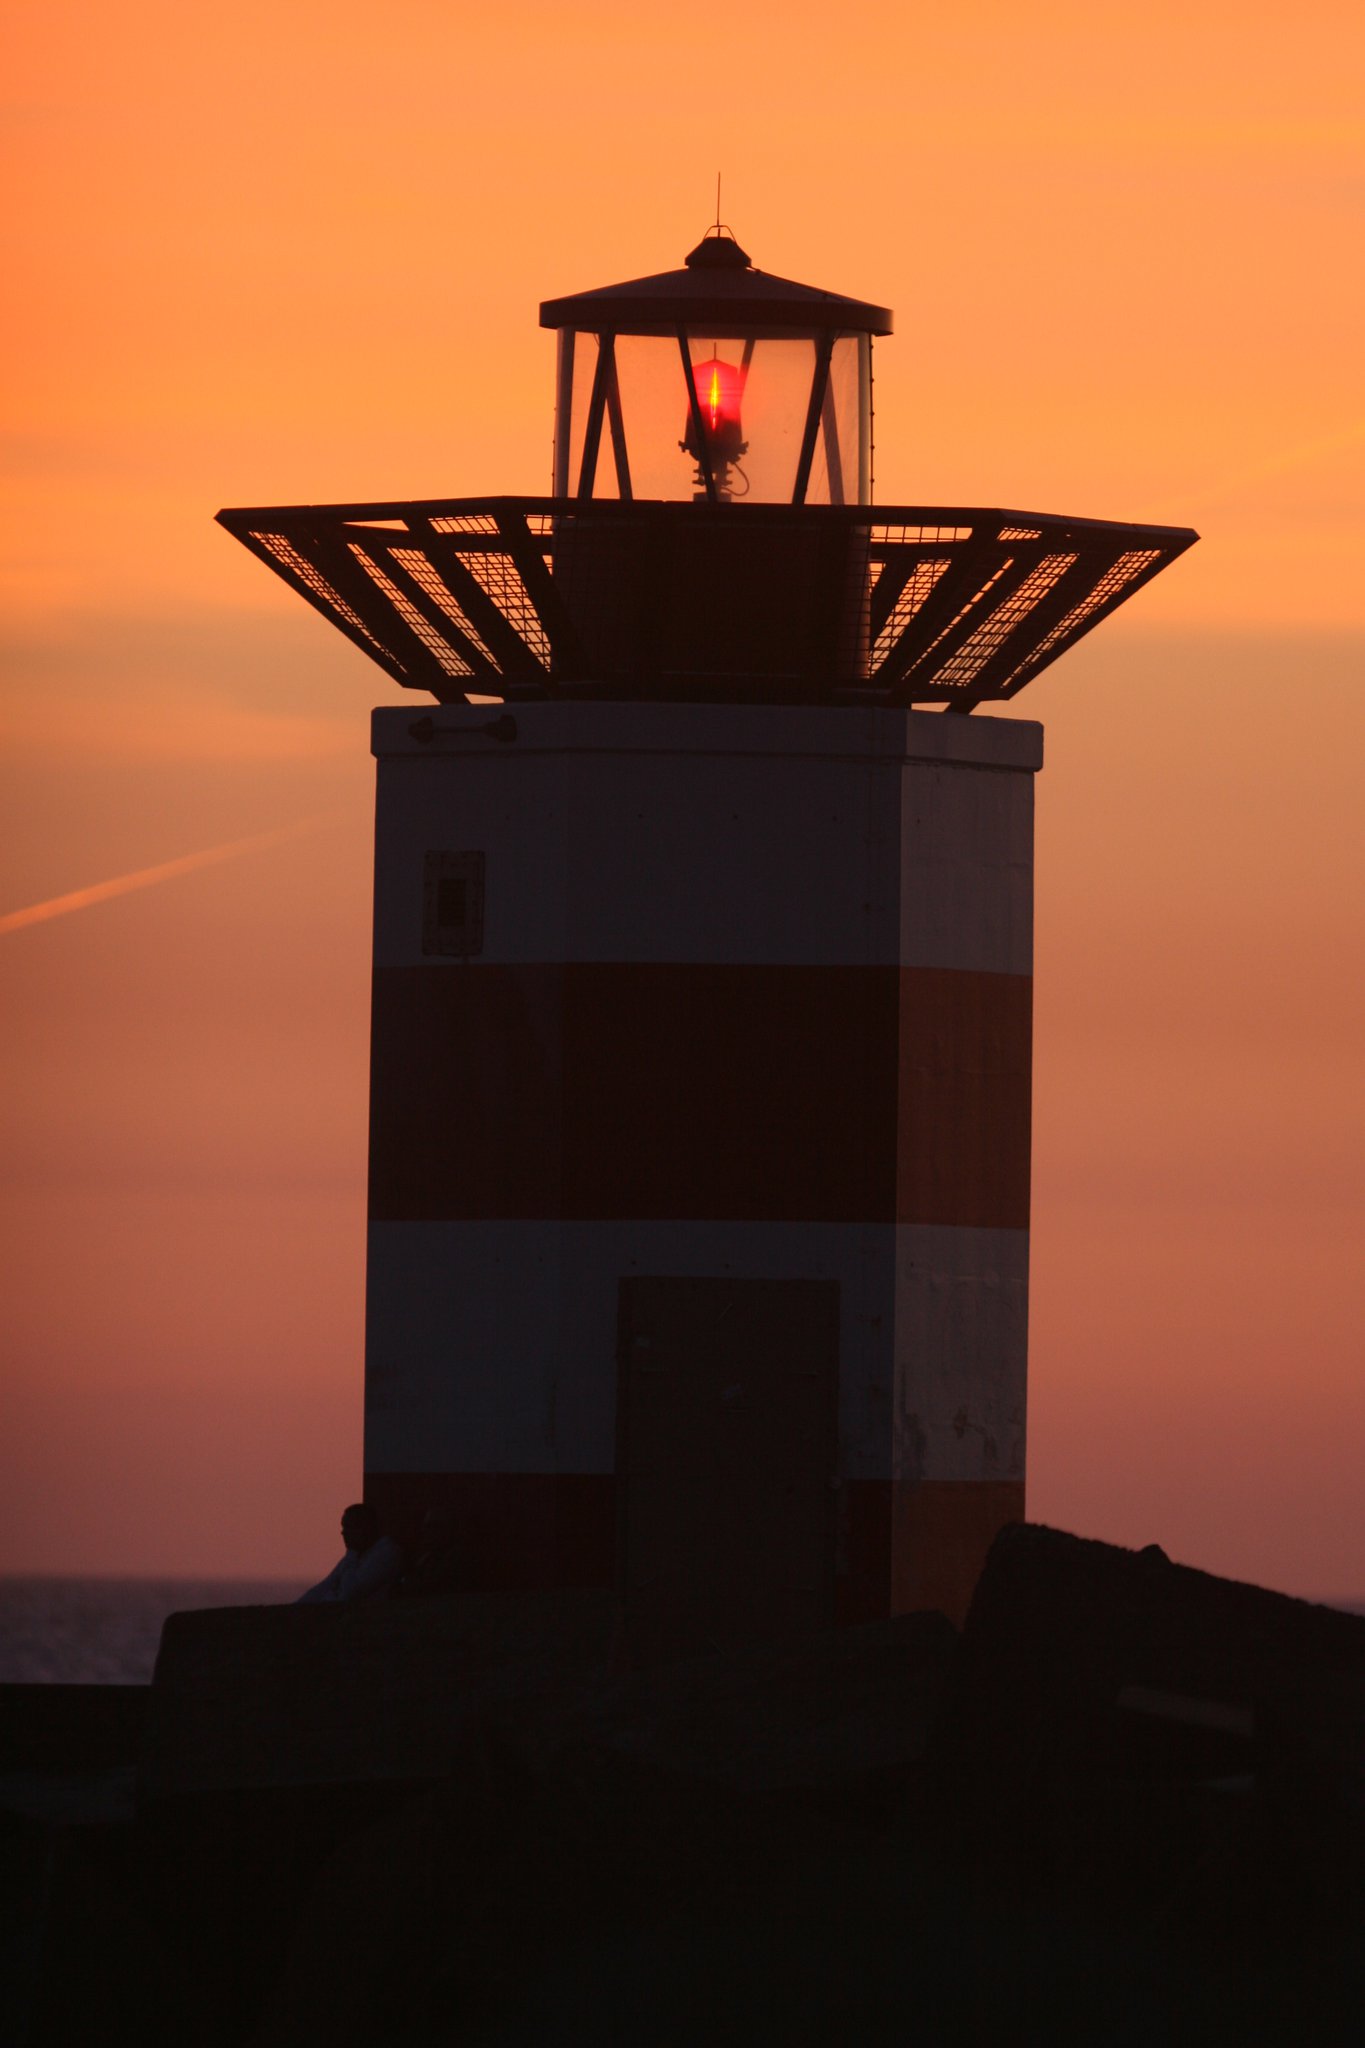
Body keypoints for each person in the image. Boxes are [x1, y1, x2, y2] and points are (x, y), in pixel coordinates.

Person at [297, 1502, 403, 1603]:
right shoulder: (354, 1556)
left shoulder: (385, 1554)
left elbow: (350, 1595)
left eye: (349, 1527)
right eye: (344, 1527)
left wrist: (351, 1554)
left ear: (365, 1528)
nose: (343, 1532)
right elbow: (324, 1586)